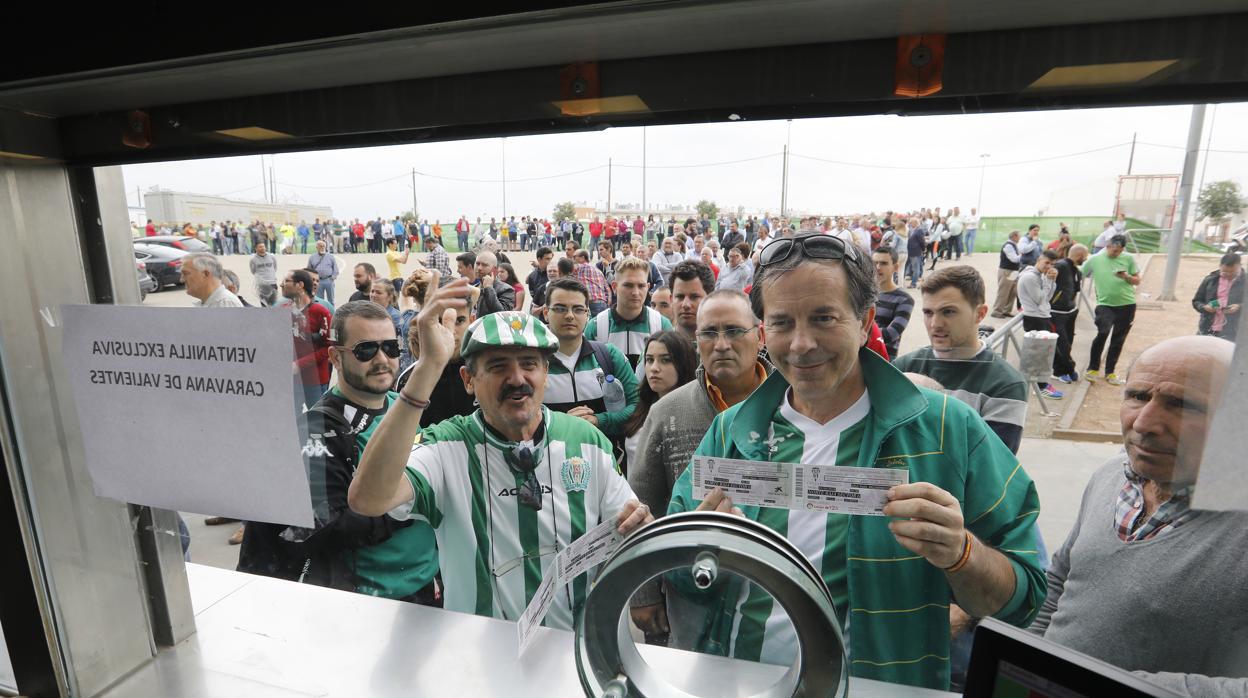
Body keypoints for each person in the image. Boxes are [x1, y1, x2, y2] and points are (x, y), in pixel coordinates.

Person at [666, 234, 1043, 690]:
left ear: (865, 323)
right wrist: (695, 552)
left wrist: (962, 555)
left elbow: (1024, 597)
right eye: (783, 322)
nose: (802, 344)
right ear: (764, 332)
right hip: (742, 685)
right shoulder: (731, 431)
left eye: (824, 318)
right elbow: (681, 575)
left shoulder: (949, 430)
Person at [348, 284, 654, 629]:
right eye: (497, 366)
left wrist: (639, 528)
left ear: (545, 373)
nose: (517, 378)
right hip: (477, 657)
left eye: (529, 364)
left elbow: (628, 529)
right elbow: (368, 498)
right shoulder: (446, 446)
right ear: (468, 379)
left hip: (570, 655)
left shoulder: (586, 441)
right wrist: (428, 367)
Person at [1032, 336, 1248, 697]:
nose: (1145, 423)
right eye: (1137, 396)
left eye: (1181, 404)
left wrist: (1125, 688)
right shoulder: (1111, 475)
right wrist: (1025, 661)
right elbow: (1061, 579)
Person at [238, 301, 441, 605]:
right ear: (335, 356)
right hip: (373, 598)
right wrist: (413, 504)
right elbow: (332, 526)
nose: (382, 359)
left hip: (426, 582)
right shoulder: (318, 428)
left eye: (390, 347)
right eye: (365, 350)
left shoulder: (404, 405)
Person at [627, 290, 772, 646]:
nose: (721, 344)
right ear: (696, 341)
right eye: (709, 333)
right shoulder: (668, 411)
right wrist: (644, 593)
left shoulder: (791, 407)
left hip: (770, 592)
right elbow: (639, 503)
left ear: (761, 336)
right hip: (690, 592)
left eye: (735, 331)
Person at [894, 265, 1029, 453]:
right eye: (928, 312)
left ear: (980, 314)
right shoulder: (901, 368)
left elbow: (992, 465)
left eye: (948, 312)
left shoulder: (1006, 384)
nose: (935, 324)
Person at [542, 278, 640, 450]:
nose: (570, 315)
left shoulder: (609, 355)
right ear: (545, 313)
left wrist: (598, 420)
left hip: (606, 465)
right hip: (548, 467)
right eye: (560, 308)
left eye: (578, 309)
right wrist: (562, 425)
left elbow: (638, 407)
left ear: (588, 314)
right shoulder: (532, 363)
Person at [619, 331, 698, 489]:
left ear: (684, 363)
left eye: (666, 360)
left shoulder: (696, 412)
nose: (654, 368)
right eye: (649, 360)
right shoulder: (640, 408)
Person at [585, 257, 674, 369]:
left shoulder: (661, 325)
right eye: (628, 285)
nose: (635, 292)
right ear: (614, 287)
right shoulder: (595, 327)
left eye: (641, 286)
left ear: (648, 287)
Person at [1082, 235, 1140, 385]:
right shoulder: (1095, 259)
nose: (1116, 254)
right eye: (1113, 250)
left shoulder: (1129, 259)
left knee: (1118, 339)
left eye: (1119, 251)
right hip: (1105, 304)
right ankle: (1092, 368)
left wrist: (1126, 276)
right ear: (1107, 246)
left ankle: (1110, 372)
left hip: (1127, 304)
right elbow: (1080, 272)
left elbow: (1137, 280)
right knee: (1103, 332)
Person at [282, 269, 333, 413]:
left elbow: (329, 348)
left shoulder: (321, 312)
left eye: (287, 281)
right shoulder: (284, 310)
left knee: (319, 419)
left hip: (314, 380)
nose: (282, 285)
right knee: (291, 417)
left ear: (300, 285)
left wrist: (299, 364)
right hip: (292, 380)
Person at [1017, 250, 1063, 399]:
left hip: (1041, 316)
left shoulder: (1040, 275)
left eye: (1052, 264)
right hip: (1034, 318)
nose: (1049, 267)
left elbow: (1047, 298)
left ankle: (1040, 385)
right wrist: (1049, 282)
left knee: (1043, 353)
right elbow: (1040, 299)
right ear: (1039, 260)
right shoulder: (1030, 277)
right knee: (1040, 354)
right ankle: (1041, 387)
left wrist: (1051, 281)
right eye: (1047, 263)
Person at [1049, 244, 1088, 384]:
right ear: (1080, 255)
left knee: (1068, 342)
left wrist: (1074, 306)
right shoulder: (1060, 265)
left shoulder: (1076, 271)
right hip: (1056, 312)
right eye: (1085, 256)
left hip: (1070, 312)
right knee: (1061, 344)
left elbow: (1075, 291)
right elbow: (1046, 279)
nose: (1086, 258)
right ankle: (1063, 370)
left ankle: (1065, 369)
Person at [872, 246, 913, 360]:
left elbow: (891, 334)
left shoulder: (904, 299)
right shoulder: (864, 292)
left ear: (895, 267)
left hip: (883, 362)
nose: (878, 267)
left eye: (884, 263)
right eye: (875, 263)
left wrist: (858, 331)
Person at [1191, 252, 1243, 342]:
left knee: (1228, 355)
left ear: (1239, 266)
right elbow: (1196, 301)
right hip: (1207, 328)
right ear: (1220, 266)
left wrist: (1239, 307)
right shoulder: (1210, 279)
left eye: (1232, 272)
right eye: (1225, 272)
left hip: (1235, 332)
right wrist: (1204, 307)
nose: (1228, 275)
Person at [668, 260, 715, 340]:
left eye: (694, 297)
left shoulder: (723, 348)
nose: (686, 304)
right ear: (671, 300)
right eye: (680, 297)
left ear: (710, 299)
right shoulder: (658, 349)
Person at [471, 250, 516, 317]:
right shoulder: (473, 288)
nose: (479, 268)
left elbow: (502, 315)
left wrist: (488, 288)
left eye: (484, 265)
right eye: (477, 264)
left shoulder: (506, 290)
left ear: (494, 270)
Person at [991, 230, 1023, 318]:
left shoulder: (1013, 245)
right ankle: (997, 311)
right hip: (1007, 271)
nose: (1020, 238)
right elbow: (1014, 259)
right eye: (1019, 236)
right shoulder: (1008, 246)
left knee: (1012, 292)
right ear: (1014, 236)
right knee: (1003, 292)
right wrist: (1023, 254)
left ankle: (1006, 310)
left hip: (1013, 271)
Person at [571, 250, 611, 317]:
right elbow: (607, 289)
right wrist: (607, 303)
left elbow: (566, 271)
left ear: (582, 258)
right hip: (602, 303)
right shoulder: (598, 271)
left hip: (590, 303)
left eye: (574, 257)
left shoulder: (578, 267)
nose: (573, 259)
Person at [307, 239, 340, 306]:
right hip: (318, 281)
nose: (322, 248)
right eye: (320, 246)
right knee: (319, 300)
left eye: (323, 246)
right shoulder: (312, 257)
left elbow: (335, 269)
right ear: (316, 247)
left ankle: (332, 314)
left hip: (329, 280)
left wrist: (332, 278)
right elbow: (309, 270)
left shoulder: (330, 257)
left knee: (331, 300)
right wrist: (312, 280)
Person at [249, 241, 279, 307]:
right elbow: (253, 271)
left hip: (272, 283)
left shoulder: (272, 257)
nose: (262, 248)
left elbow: (275, 267)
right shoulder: (253, 260)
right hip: (262, 285)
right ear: (256, 248)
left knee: (274, 304)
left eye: (263, 246)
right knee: (264, 305)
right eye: (260, 247)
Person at [526, 247, 553, 321]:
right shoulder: (532, 276)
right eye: (547, 259)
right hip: (539, 314)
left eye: (551, 258)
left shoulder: (555, 274)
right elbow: (533, 294)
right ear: (539, 259)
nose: (550, 261)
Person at [905, 218, 927, 288]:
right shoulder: (913, 230)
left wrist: (923, 249)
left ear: (915, 223)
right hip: (911, 251)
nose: (910, 224)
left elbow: (922, 241)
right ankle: (915, 280)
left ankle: (913, 284)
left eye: (911, 223)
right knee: (914, 267)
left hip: (916, 251)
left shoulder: (919, 230)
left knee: (916, 268)